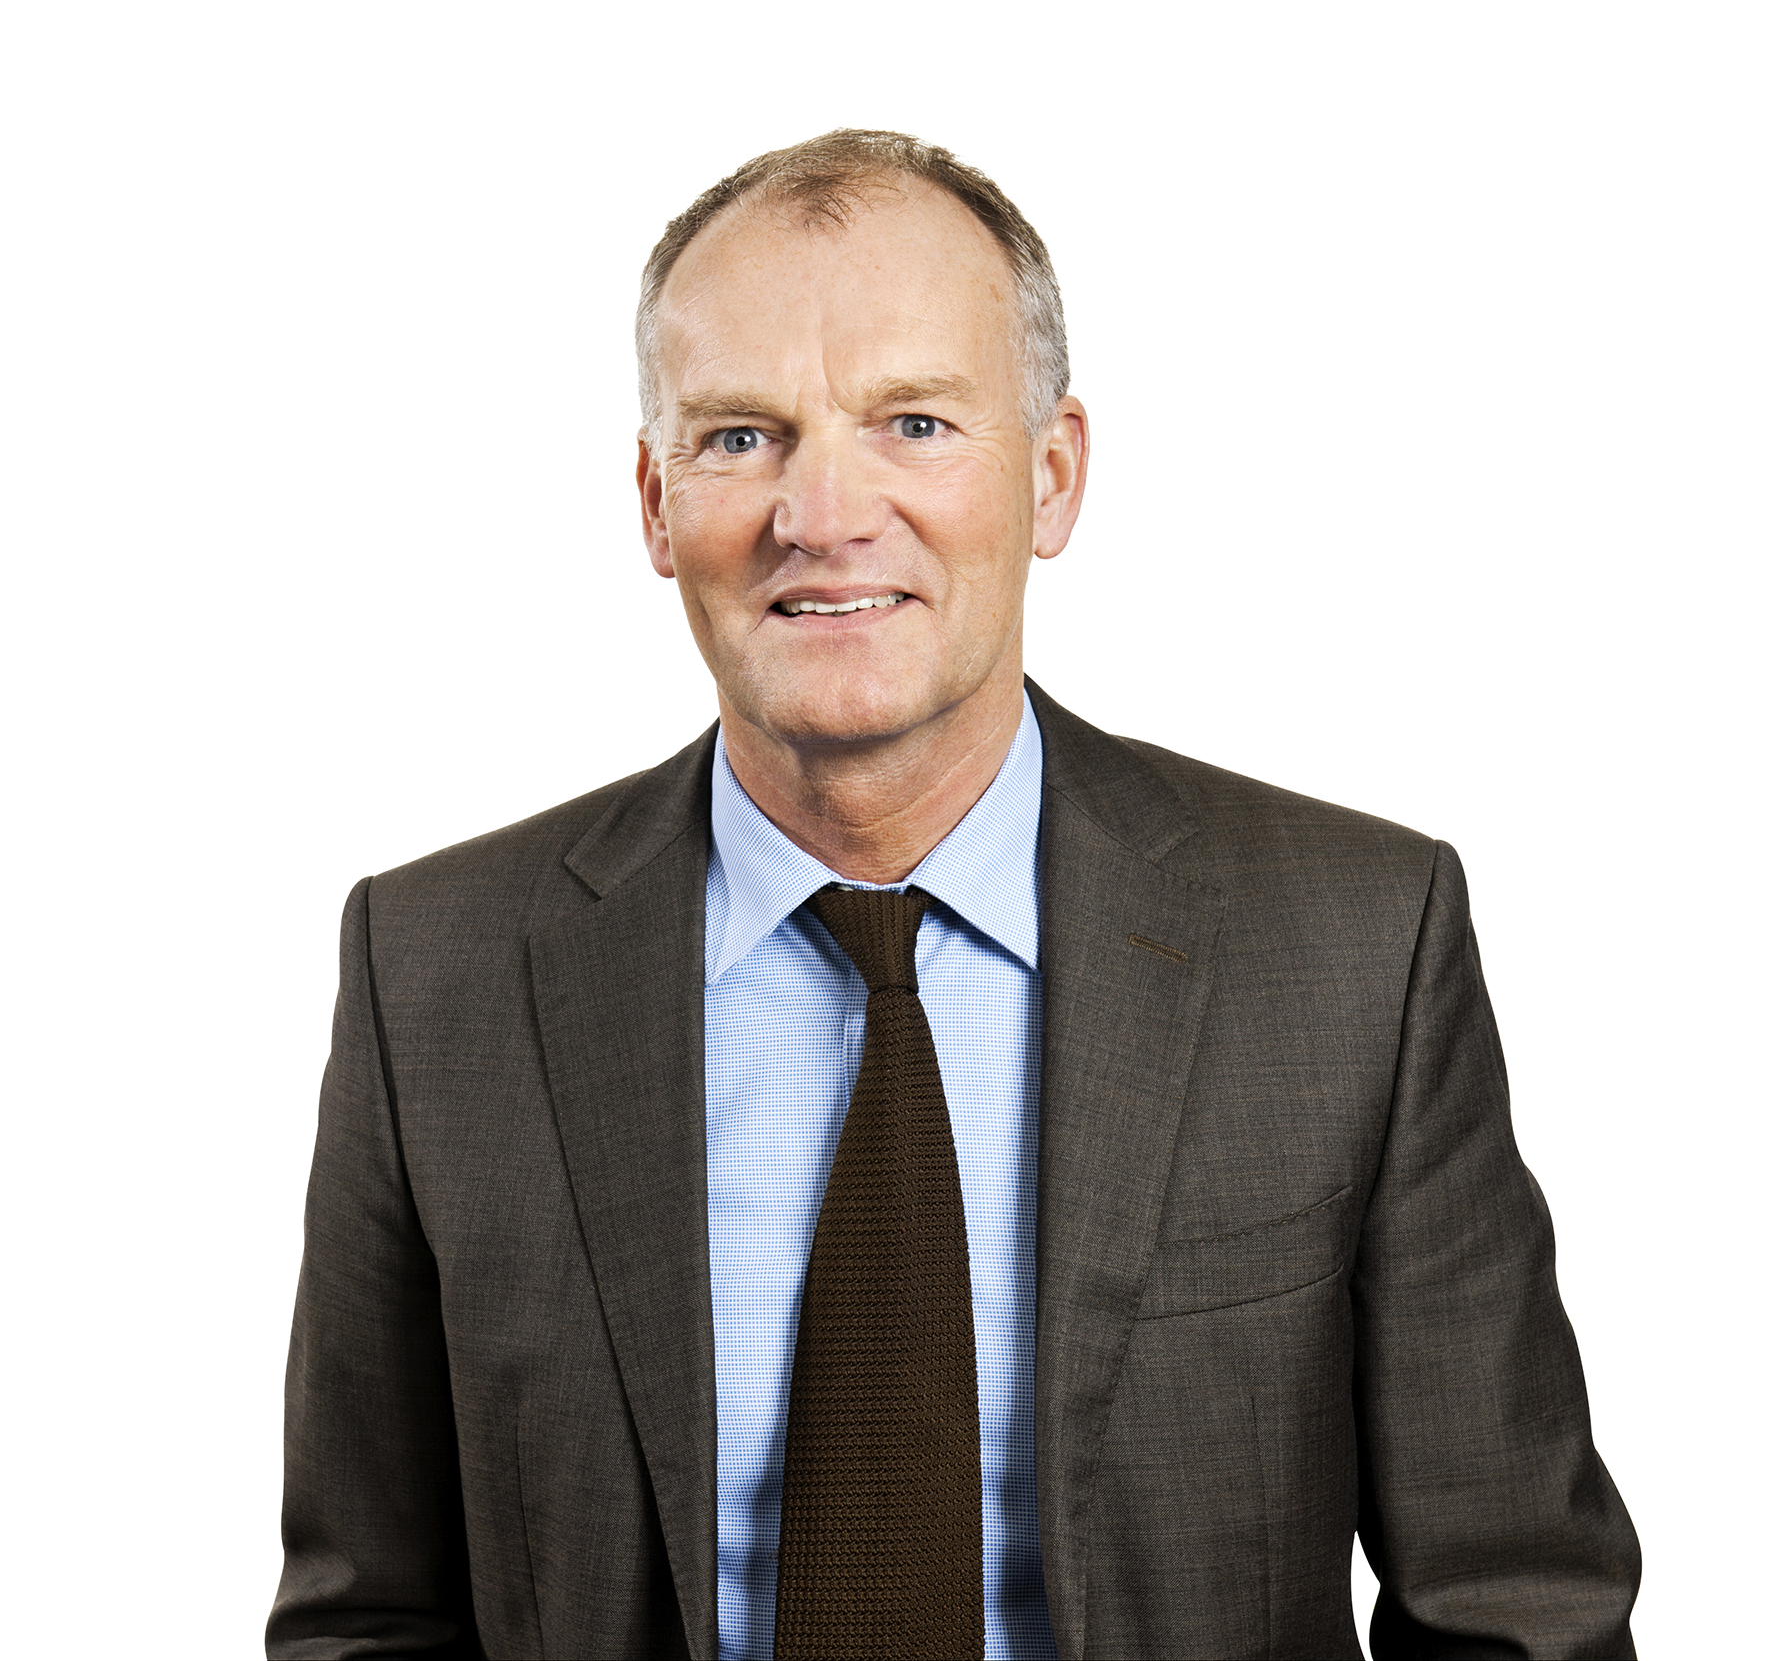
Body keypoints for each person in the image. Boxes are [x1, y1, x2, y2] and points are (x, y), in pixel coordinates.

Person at [268, 129, 1640, 1661]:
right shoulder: (434, 981)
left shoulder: (1353, 951)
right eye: (741, 437)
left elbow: (1518, 1611)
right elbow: (368, 1620)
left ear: (1052, 474)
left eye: (914, 423)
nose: (822, 512)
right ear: (654, 503)